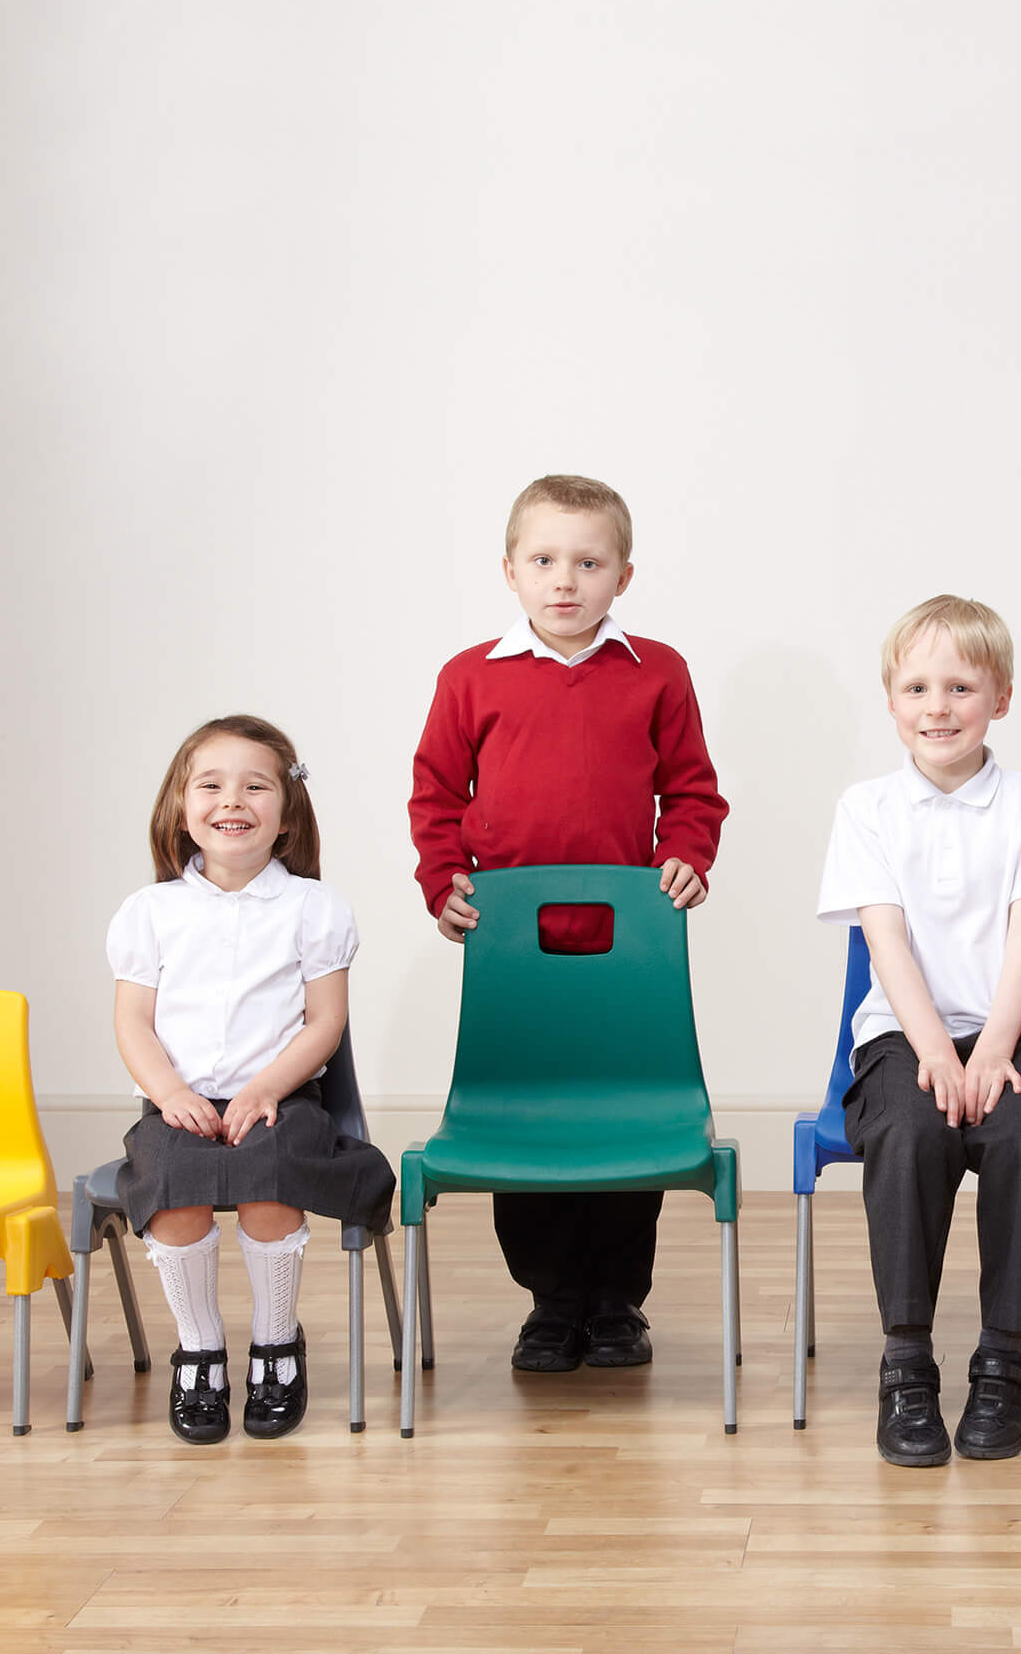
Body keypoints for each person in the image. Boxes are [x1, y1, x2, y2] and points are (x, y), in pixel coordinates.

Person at [409, 474, 728, 1373]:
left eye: (588, 562)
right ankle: (552, 1302)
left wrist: (687, 853)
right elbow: (435, 792)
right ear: (509, 569)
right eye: (545, 560)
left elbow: (695, 789)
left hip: (629, 955)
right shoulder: (471, 676)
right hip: (517, 956)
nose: (565, 580)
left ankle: (618, 1302)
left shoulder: (656, 670)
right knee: (527, 1120)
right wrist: (444, 882)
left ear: (622, 575)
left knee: (627, 1124)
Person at [817, 595, 1021, 1466]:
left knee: (1018, 1130)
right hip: (903, 1037)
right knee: (907, 1126)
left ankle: (1003, 1358)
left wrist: (996, 1049)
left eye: (961, 686)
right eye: (917, 687)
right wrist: (937, 1050)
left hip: (1012, 1035)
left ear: (1000, 698)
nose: (938, 706)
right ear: (892, 701)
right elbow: (885, 940)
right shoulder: (867, 809)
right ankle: (906, 1363)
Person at [106, 715, 394, 1444]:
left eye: (255, 785)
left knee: (270, 1180)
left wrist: (266, 1087)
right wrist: (170, 1094)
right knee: (173, 1192)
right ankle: (199, 1349)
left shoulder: (313, 908)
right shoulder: (151, 912)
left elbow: (325, 1021)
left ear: (286, 811)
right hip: (181, 1105)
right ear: (180, 805)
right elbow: (133, 1023)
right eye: (211, 783)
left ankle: (276, 1345)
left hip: (282, 1100)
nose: (232, 799)